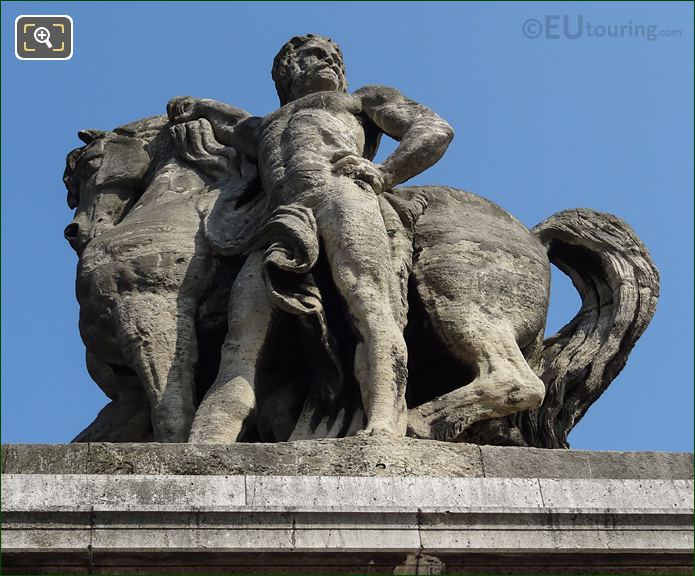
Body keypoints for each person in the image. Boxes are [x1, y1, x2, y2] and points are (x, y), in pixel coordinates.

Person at [168, 34, 453, 442]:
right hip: (278, 221)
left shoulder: (361, 100)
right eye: (316, 55)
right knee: (240, 341)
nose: (332, 62)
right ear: (288, 69)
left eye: (337, 57)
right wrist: (193, 105)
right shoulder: (260, 127)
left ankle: (383, 425)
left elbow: (433, 128)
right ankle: (206, 445)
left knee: (369, 305)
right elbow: (224, 120)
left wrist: (386, 172)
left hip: (340, 195)